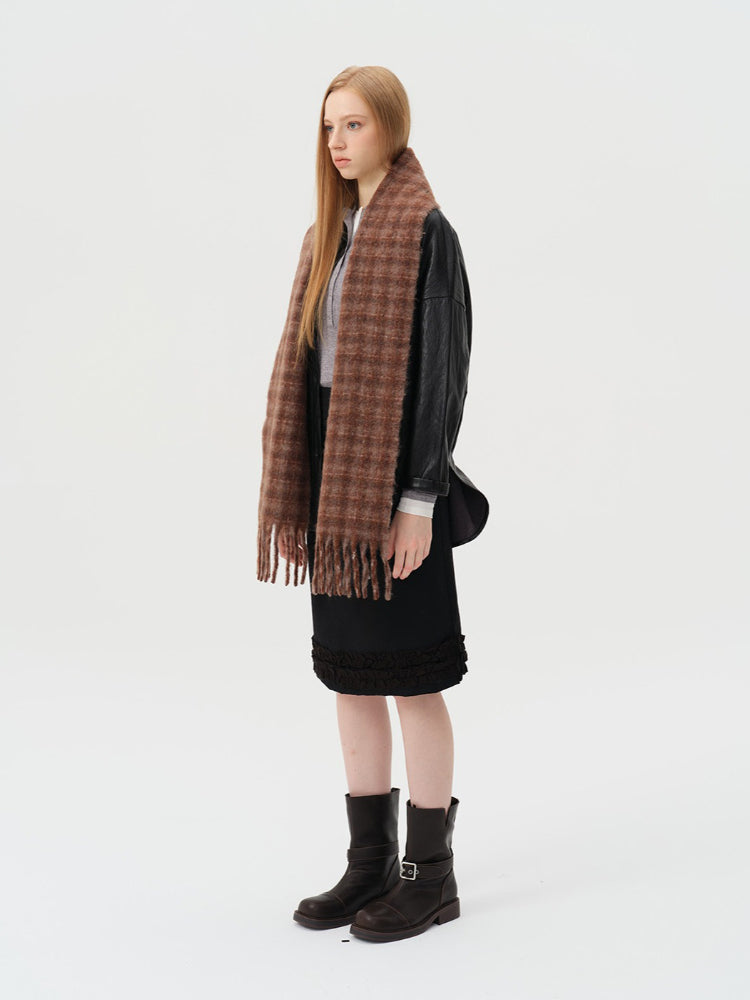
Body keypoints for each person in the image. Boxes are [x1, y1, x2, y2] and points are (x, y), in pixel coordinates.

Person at [256, 65, 489, 943]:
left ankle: (431, 876)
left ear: (391, 125)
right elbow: (307, 377)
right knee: (350, 674)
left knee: (415, 678)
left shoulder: (428, 232)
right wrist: (305, 497)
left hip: (395, 485)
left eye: (353, 124)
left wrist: (418, 499)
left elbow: (442, 378)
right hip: (334, 488)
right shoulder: (327, 235)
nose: (337, 142)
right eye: (328, 127)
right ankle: (368, 865)